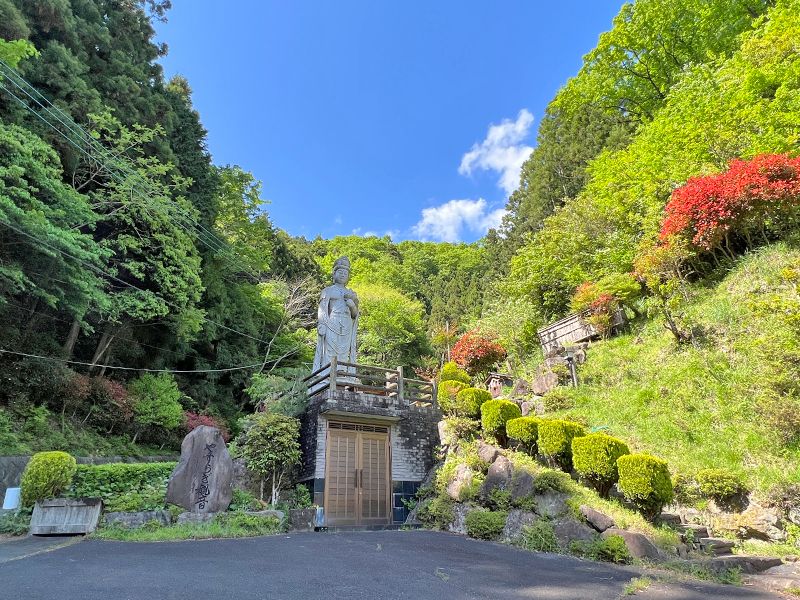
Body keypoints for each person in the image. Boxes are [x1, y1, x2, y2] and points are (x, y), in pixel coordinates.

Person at [312, 256, 359, 375]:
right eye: (340, 272)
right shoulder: (328, 291)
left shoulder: (351, 293)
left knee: (344, 351)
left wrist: (352, 306)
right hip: (331, 322)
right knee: (330, 349)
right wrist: (322, 323)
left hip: (347, 324)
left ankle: (342, 372)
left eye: (345, 273)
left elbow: (355, 315)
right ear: (334, 274)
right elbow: (322, 309)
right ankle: (327, 373)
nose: (343, 275)